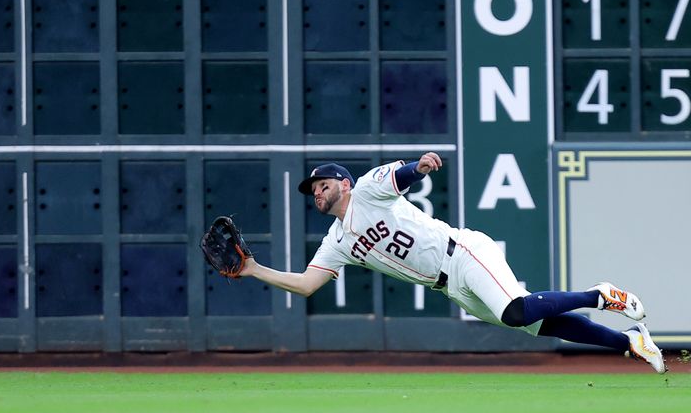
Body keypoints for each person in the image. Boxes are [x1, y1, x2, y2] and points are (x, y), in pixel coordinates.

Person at [240, 153, 667, 373]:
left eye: (323, 184)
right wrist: (253, 269)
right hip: (451, 286)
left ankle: (601, 294)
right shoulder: (335, 242)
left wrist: (419, 167)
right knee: (534, 323)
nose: (317, 192)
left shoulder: (367, 189)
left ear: (343, 184)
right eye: (312, 190)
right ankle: (629, 341)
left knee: (516, 310)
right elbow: (305, 285)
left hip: (461, 252)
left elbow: (402, 176)